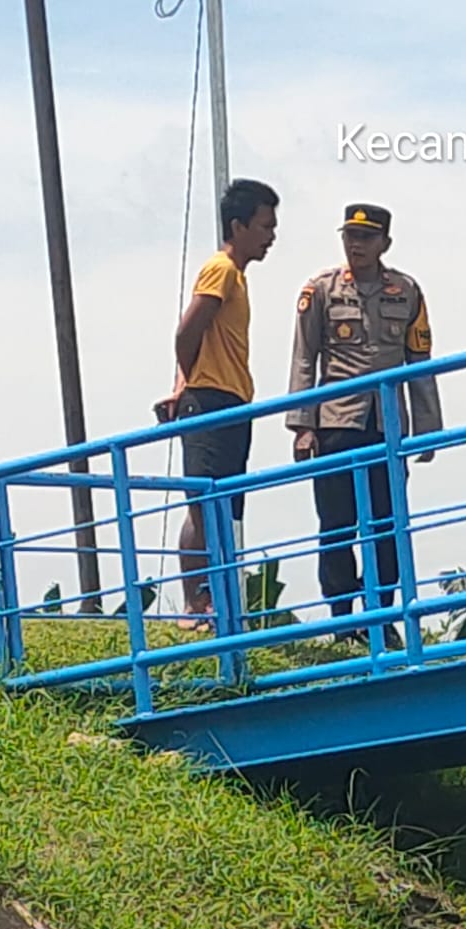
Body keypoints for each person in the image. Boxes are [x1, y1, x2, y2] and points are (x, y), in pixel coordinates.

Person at [287, 204, 442, 648]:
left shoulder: (407, 291)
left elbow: (419, 361)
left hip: (385, 425)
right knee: (337, 524)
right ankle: (342, 620)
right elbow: (304, 357)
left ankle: (381, 614)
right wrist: (302, 425)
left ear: (384, 243)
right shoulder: (321, 289)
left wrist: (428, 428)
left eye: (366, 237)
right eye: (350, 236)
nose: (356, 245)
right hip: (336, 420)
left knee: (387, 524)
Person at [161, 177, 279, 628]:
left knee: (219, 505)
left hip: (231, 401)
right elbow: (186, 332)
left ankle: (210, 600)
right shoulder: (222, 269)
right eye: (265, 226)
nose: (271, 236)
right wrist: (188, 385)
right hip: (210, 401)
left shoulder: (237, 278)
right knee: (204, 503)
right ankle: (197, 602)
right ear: (238, 226)